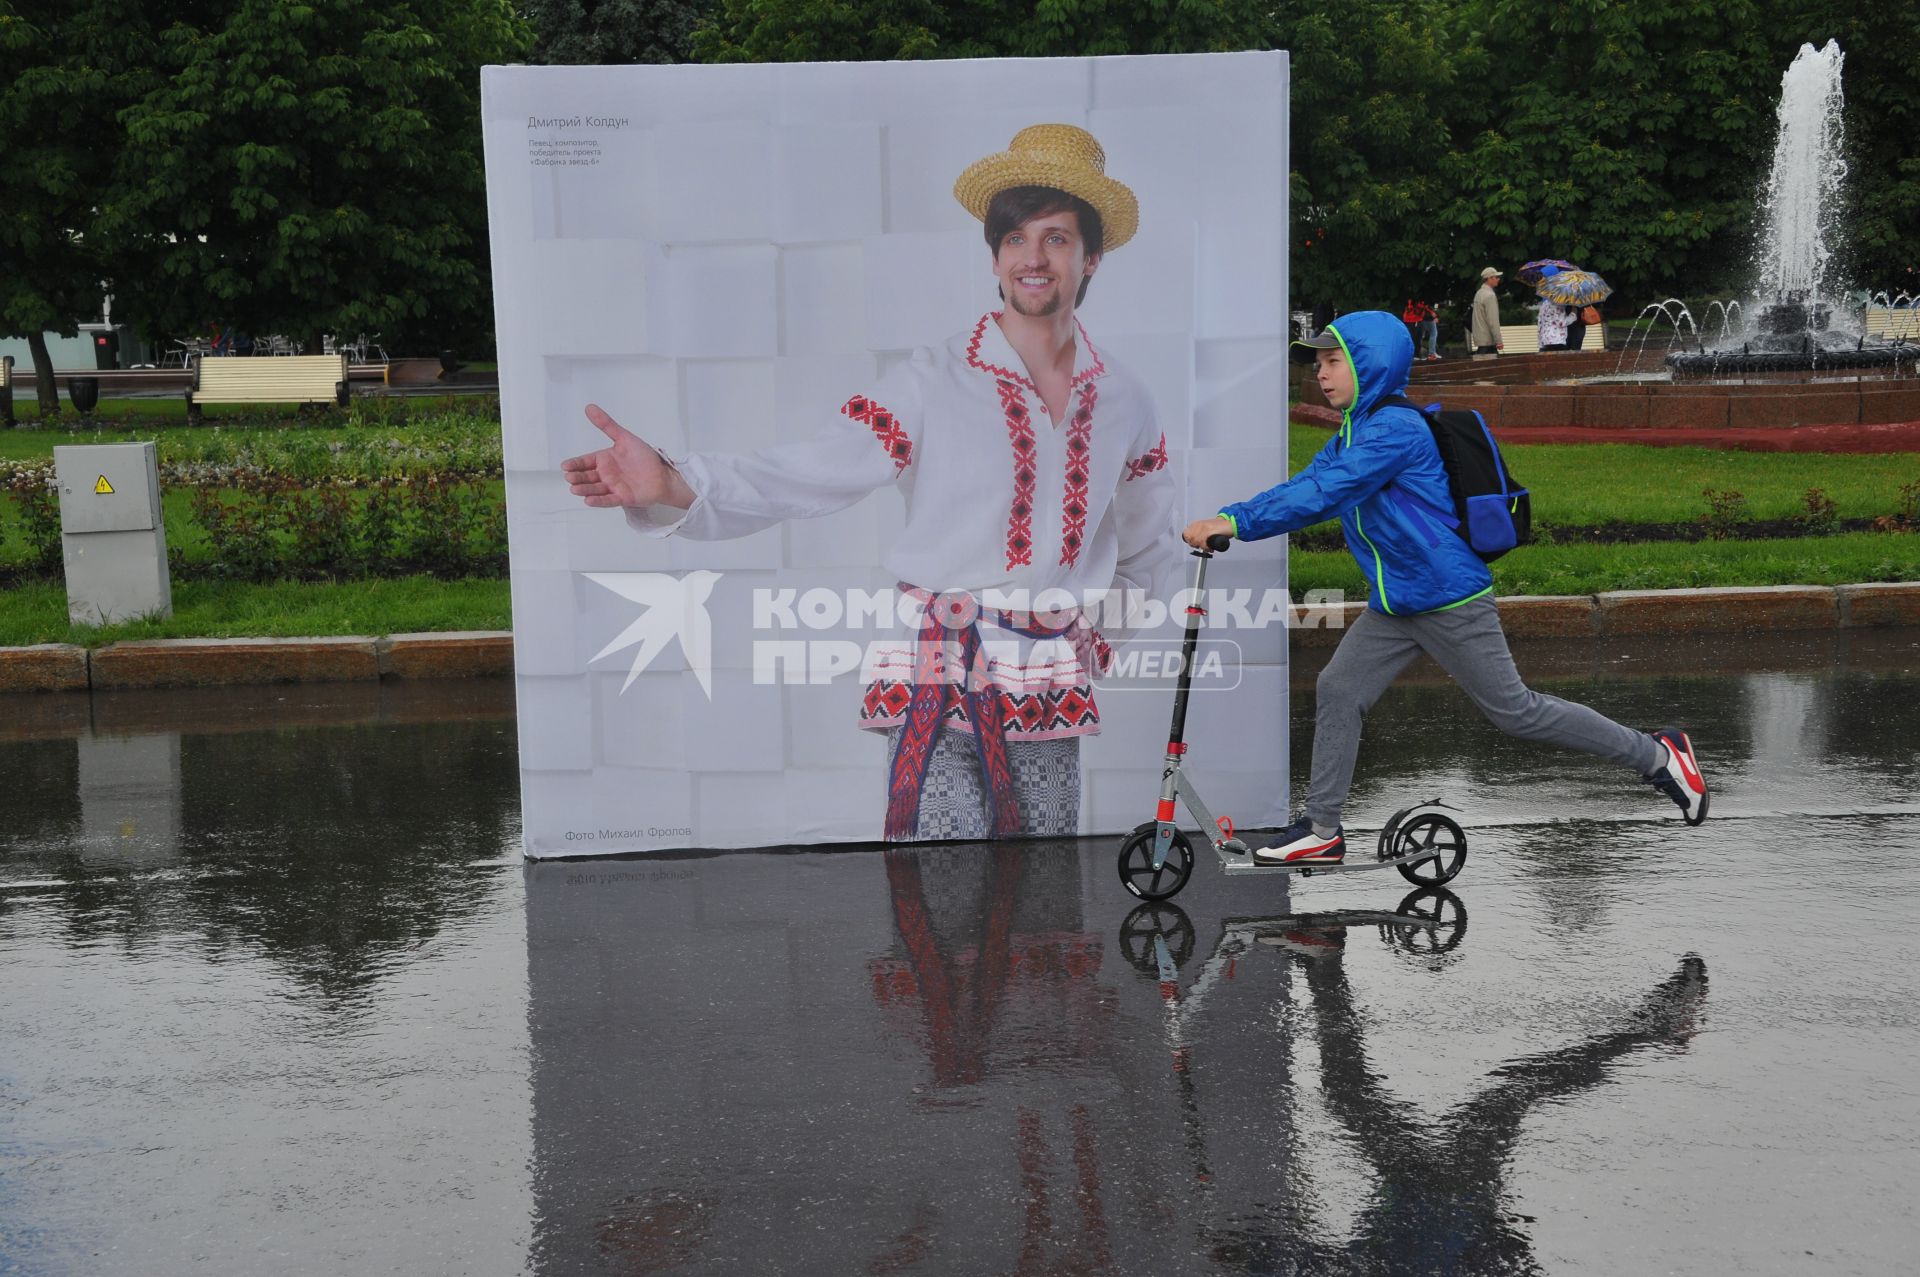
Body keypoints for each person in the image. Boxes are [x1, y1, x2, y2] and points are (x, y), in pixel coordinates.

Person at [561, 124, 1183, 842]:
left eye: (1056, 238)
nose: (1033, 258)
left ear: (1092, 258)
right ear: (993, 257)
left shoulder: (1127, 399)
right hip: (937, 667)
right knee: (942, 889)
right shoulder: (930, 380)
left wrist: (1099, 636)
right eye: (1015, 239)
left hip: (1047, 678)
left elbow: (1151, 543)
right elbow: (811, 470)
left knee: (1042, 896)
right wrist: (673, 481)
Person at [1179, 310, 1708, 864]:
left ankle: (1659, 756)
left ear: (1370, 365)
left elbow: (1327, 493)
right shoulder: (1356, 430)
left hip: (1448, 597)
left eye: (1333, 362)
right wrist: (1230, 516)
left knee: (1517, 712)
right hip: (1399, 600)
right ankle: (1322, 828)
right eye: (1318, 364)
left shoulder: (1393, 430)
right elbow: (1309, 482)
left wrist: (1234, 523)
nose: (1322, 374)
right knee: (1340, 688)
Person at [1469, 267, 1503, 356]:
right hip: (1488, 340)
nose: (1498, 279)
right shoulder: (1490, 295)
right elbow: (1493, 320)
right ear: (1489, 278)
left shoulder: (1479, 293)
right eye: (1496, 277)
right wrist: (1498, 341)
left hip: (1481, 337)